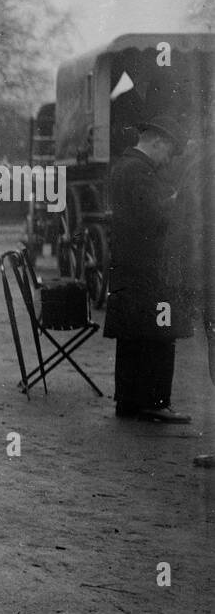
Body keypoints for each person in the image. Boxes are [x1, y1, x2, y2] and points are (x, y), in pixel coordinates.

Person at [104, 116, 192, 423]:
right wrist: (179, 200)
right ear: (157, 142)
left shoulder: (124, 167)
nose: (168, 160)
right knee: (159, 333)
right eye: (168, 152)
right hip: (150, 268)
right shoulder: (140, 172)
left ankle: (129, 401)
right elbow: (155, 216)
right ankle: (156, 401)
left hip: (130, 268)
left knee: (133, 337)